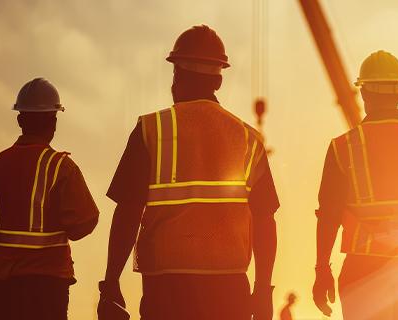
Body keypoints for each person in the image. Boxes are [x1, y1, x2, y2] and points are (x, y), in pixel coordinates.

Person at [97, 25, 279, 320]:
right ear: (218, 81)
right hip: (229, 290)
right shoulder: (248, 139)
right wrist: (261, 290)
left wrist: (111, 282)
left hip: (166, 290)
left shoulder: (150, 130)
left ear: (177, 75)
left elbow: (128, 211)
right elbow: (265, 219)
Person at [312, 50, 398, 319]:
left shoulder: (343, 147)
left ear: (364, 95)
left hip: (362, 267)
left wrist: (322, 270)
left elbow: (328, 214)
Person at [0, 78, 99, 320]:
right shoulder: (61, 168)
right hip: (49, 286)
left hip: (4, 285)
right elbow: (83, 223)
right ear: (53, 121)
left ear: (19, 119)